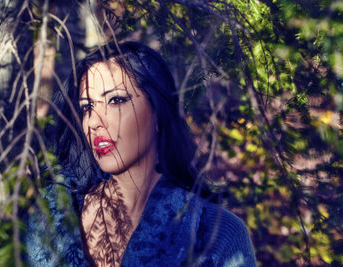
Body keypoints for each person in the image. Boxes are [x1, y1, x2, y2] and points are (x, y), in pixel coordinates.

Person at [25, 41, 257, 266]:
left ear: (158, 111)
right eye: (87, 107)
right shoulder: (46, 219)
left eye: (115, 100)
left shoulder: (216, 233)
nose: (94, 122)